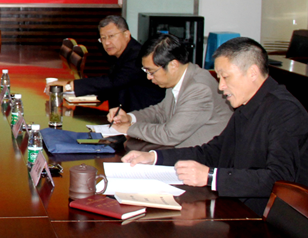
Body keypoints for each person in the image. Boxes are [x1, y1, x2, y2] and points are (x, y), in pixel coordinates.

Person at [123, 37, 308, 215]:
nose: (221, 86)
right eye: (219, 78)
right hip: (239, 206)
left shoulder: (285, 111)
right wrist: (154, 157)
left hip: (271, 218)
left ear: (252, 72)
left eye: (225, 77)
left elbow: (278, 178)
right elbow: (213, 152)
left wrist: (211, 177)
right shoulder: (246, 106)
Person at [108, 34, 233, 148]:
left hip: (201, 159)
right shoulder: (179, 79)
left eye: (151, 71)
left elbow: (169, 134)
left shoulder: (199, 88)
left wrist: (129, 128)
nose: (149, 77)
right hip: (180, 152)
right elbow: (161, 112)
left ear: (173, 65)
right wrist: (130, 118)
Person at [59, 15, 165, 112]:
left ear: (126, 34)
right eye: (103, 38)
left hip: (144, 117)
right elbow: (112, 87)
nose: (107, 43)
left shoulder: (138, 55)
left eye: (111, 36)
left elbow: (114, 81)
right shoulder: (121, 53)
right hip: (122, 113)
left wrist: (70, 85)